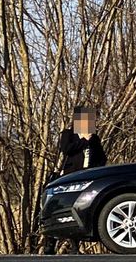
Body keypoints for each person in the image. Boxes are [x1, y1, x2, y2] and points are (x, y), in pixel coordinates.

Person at [44, 106, 107, 254]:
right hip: (70, 176)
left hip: (88, 176)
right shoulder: (69, 134)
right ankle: (50, 242)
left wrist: (95, 169)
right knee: (62, 208)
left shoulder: (95, 138)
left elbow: (102, 157)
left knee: (79, 209)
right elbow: (67, 149)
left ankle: (75, 246)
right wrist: (85, 140)